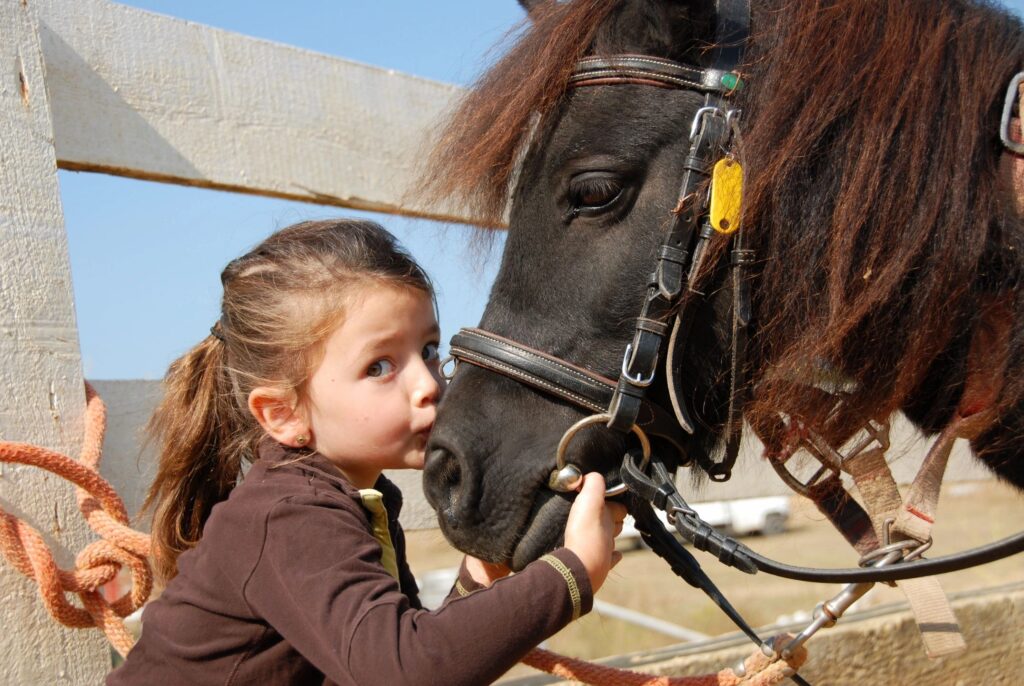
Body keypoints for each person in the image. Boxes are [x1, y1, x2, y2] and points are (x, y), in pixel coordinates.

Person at [108, 219, 626, 686]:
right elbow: (405, 671)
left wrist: (476, 581)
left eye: (428, 350)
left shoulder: (352, 498)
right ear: (283, 414)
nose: (429, 383)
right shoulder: (288, 515)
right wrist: (572, 574)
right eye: (379, 366)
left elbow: (391, 651)